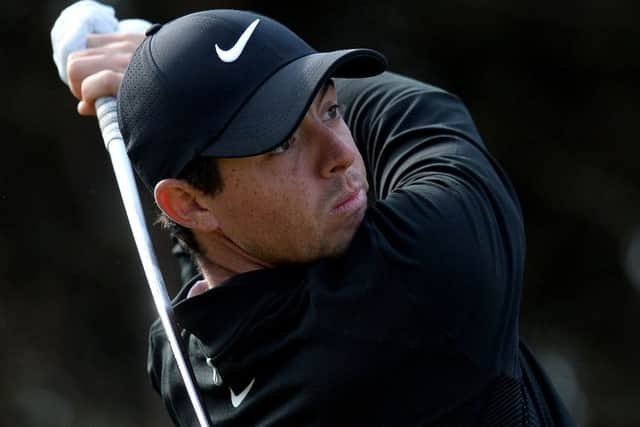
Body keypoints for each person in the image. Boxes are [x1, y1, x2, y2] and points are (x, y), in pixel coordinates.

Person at [66, 8, 575, 426]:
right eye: (284, 142)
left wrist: (165, 83)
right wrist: (153, 51)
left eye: (330, 109)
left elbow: (211, 238)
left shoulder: (184, 366)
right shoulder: (423, 277)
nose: (341, 155)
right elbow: (419, 112)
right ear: (190, 202)